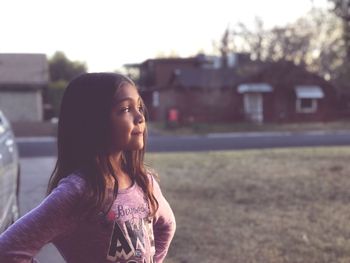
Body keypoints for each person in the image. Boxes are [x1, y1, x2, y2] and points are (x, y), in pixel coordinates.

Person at [0, 73, 176, 263]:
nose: (140, 117)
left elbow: (167, 226)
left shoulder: (144, 182)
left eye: (139, 107)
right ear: (93, 121)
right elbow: (8, 250)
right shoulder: (78, 192)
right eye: (126, 109)